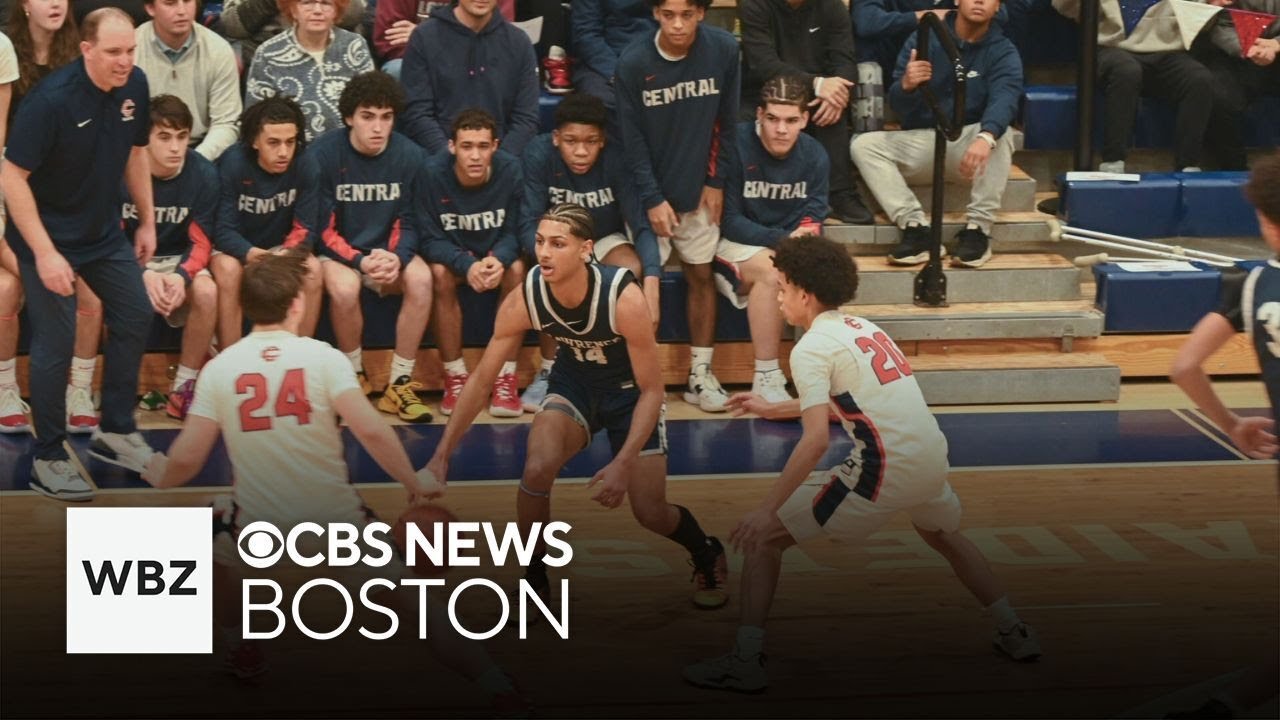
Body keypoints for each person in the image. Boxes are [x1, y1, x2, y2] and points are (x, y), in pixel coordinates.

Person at [138, 253, 526, 715]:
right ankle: (495, 684)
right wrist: (414, 482)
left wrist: (157, 471)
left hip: (256, 527)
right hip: (334, 520)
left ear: (244, 305)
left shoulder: (222, 369)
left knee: (210, 525)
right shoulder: (322, 357)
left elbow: (186, 461)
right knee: (418, 606)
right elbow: (372, 430)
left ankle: (239, 642)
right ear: (297, 305)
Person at [682, 235, 1041, 693]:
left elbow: (813, 443)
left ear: (804, 295)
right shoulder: (862, 327)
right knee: (944, 536)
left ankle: (745, 660)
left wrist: (766, 509)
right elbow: (861, 405)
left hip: (882, 470)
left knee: (764, 541)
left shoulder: (810, 349)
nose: (777, 297)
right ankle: (1015, 629)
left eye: (782, 289)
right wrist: (775, 409)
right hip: (931, 457)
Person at [426, 202, 730, 609]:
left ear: (586, 249)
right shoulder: (527, 295)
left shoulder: (623, 296)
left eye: (557, 243)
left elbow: (653, 391)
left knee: (649, 511)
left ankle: (706, 550)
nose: (545, 253)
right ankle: (534, 583)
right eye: (539, 243)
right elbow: (482, 378)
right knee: (536, 467)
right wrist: (441, 454)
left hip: (630, 396)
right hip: (575, 385)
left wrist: (623, 461)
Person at [0, 8, 160, 501]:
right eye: (114, 52)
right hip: (46, 235)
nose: (125, 61)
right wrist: (45, 255)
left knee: (136, 313)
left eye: (131, 50)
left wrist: (148, 220)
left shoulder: (135, 87)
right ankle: (48, 455)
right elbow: (10, 177)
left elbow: (136, 154)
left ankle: (115, 431)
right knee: (56, 337)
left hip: (103, 233)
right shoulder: (50, 101)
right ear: (87, 50)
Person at [1166, 152, 1279, 720]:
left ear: (1265, 219)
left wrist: (1232, 424)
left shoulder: (1251, 284)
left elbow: (1183, 366)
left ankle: (1226, 705)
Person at [615, 0, 740, 413]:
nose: (678, 25)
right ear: (655, 14)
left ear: (702, 13)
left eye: (687, 15)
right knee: (636, 287)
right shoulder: (633, 63)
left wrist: (715, 180)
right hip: (650, 192)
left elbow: (728, 119)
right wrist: (652, 198)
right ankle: (639, 380)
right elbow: (630, 142)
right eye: (669, 15)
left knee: (701, 275)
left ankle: (700, 375)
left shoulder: (724, 50)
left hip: (701, 188)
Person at [517, 91, 660, 412]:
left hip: (602, 237)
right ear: (555, 139)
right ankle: (549, 370)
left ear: (603, 140)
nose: (581, 151)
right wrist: (553, 253)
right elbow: (527, 223)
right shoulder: (538, 155)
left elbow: (640, 225)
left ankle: (616, 370)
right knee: (550, 272)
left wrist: (652, 281)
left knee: (631, 268)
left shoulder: (617, 159)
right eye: (571, 141)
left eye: (591, 141)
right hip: (555, 241)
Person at [851, 0, 1021, 269]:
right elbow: (898, 105)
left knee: (1001, 134)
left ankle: (978, 229)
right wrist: (906, 85)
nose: (979, 0)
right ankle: (916, 228)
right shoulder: (924, 37)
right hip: (923, 140)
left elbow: (1006, 98)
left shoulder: (1003, 50)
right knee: (864, 145)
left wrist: (985, 136)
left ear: (999, 6)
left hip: (968, 148)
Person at [306, 71, 434, 423]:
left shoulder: (411, 156)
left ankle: (399, 384)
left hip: (387, 253)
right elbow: (321, 230)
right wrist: (360, 261)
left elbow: (410, 221)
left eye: (386, 117)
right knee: (345, 288)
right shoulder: (322, 154)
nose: (377, 127)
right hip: (340, 254)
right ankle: (354, 377)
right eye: (367, 116)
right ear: (349, 116)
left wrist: (397, 257)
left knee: (422, 279)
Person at [8, 0, 108, 434]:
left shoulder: (79, 52)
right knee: (9, 288)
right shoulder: (6, 51)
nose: (54, 3)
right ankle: (5, 391)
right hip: (14, 200)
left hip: (64, 198)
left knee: (90, 291)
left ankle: (79, 389)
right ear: (23, 5)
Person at [717, 75, 829, 405]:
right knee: (772, 271)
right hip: (735, 243)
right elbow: (728, 220)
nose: (782, 129)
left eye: (792, 120)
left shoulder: (815, 154)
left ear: (805, 119)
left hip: (786, 243)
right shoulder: (735, 145)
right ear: (759, 115)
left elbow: (816, 210)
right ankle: (766, 376)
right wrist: (782, 241)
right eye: (773, 119)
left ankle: (819, 374)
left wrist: (804, 238)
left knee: (825, 272)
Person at [420, 108, 525, 418]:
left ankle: (505, 376)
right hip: (455, 257)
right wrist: (466, 264)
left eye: (483, 146)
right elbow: (429, 238)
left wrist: (498, 260)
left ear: (495, 145)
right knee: (438, 273)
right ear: (452, 147)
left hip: (494, 257)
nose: (475, 155)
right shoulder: (431, 173)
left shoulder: (511, 170)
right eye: (467, 146)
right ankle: (455, 376)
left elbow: (517, 230)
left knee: (518, 269)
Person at [124, 94, 218, 420]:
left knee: (207, 291)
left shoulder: (203, 173)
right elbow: (107, 238)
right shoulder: (119, 169)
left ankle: (184, 387)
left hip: (178, 257)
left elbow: (202, 241)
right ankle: (111, 384)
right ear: (144, 139)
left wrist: (182, 275)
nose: (176, 147)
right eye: (164, 137)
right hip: (128, 261)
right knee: (102, 286)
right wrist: (142, 273)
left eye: (182, 136)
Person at [738, 0, 874, 224]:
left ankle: (840, 192)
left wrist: (836, 94)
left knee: (830, 110)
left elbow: (846, 62)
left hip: (815, 95)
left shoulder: (832, 7)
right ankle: (754, 197)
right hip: (764, 90)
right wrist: (818, 84)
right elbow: (763, 64)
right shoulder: (754, 4)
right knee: (744, 122)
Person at [211, 96, 323, 347]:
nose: (284, 152)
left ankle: (299, 355)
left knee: (313, 270)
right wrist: (254, 255)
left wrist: (284, 254)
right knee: (229, 271)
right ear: (254, 141)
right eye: (273, 143)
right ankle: (231, 359)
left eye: (290, 142)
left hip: (280, 249)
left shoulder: (306, 163)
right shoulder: (233, 163)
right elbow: (222, 230)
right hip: (236, 249)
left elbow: (306, 228)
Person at [1051, 0, 1214, 173]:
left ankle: (1188, 164)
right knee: (1126, 71)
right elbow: (1064, 7)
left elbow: (1202, 23)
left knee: (1199, 79)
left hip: (1168, 51)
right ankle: (1113, 160)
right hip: (1111, 47)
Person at [399, 0, 539, 157]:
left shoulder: (519, 42)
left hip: (501, 165)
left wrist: (500, 162)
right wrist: (448, 157)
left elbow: (526, 118)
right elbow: (417, 113)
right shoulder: (424, 37)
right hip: (438, 163)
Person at [244, 0, 374, 141]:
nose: (317, 10)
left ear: (336, 11)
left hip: (348, 149)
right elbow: (255, 118)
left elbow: (371, 105)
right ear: (293, 10)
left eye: (326, 3)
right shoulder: (268, 53)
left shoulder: (355, 45)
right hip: (291, 152)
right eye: (308, 3)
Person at [134, 0, 241, 161]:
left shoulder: (218, 50)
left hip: (202, 150)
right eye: (170, 3)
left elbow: (226, 122)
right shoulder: (131, 49)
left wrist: (194, 162)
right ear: (150, 8)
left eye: (187, 1)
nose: (182, 11)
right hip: (144, 151)